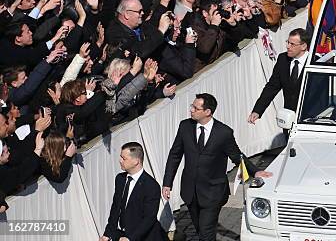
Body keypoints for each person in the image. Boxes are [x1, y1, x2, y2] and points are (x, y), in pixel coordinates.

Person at [162, 93, 272, 241]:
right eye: (192, 106)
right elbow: (175, 155)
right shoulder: (185, 126)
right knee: (201, 230)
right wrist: (167, 183)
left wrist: (255, 171)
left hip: (213, 192)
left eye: (195, 107)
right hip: (190, 192)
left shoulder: (223, 133)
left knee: (206, 232)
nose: (191, 110)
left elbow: (236, 156)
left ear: (207, 112)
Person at [101, 142, 165, 241]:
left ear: (136, 161)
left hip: (143, 237)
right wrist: (107, 233)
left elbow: (149, 218)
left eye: (124, 158)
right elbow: (115, 209)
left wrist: (130, 238)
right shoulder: (120, 179)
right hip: (121, 235)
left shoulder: (151, 186)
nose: (120, 160)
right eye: (120, 157)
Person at [248, 28, 309, 124]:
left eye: (292, 44)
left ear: (303, 46)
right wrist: (258, 110)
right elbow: (272, 86)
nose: (288, 46)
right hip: (289, 120)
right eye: (287, 42)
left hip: (310, 119)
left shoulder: (315, 62)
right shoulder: (283, 59)